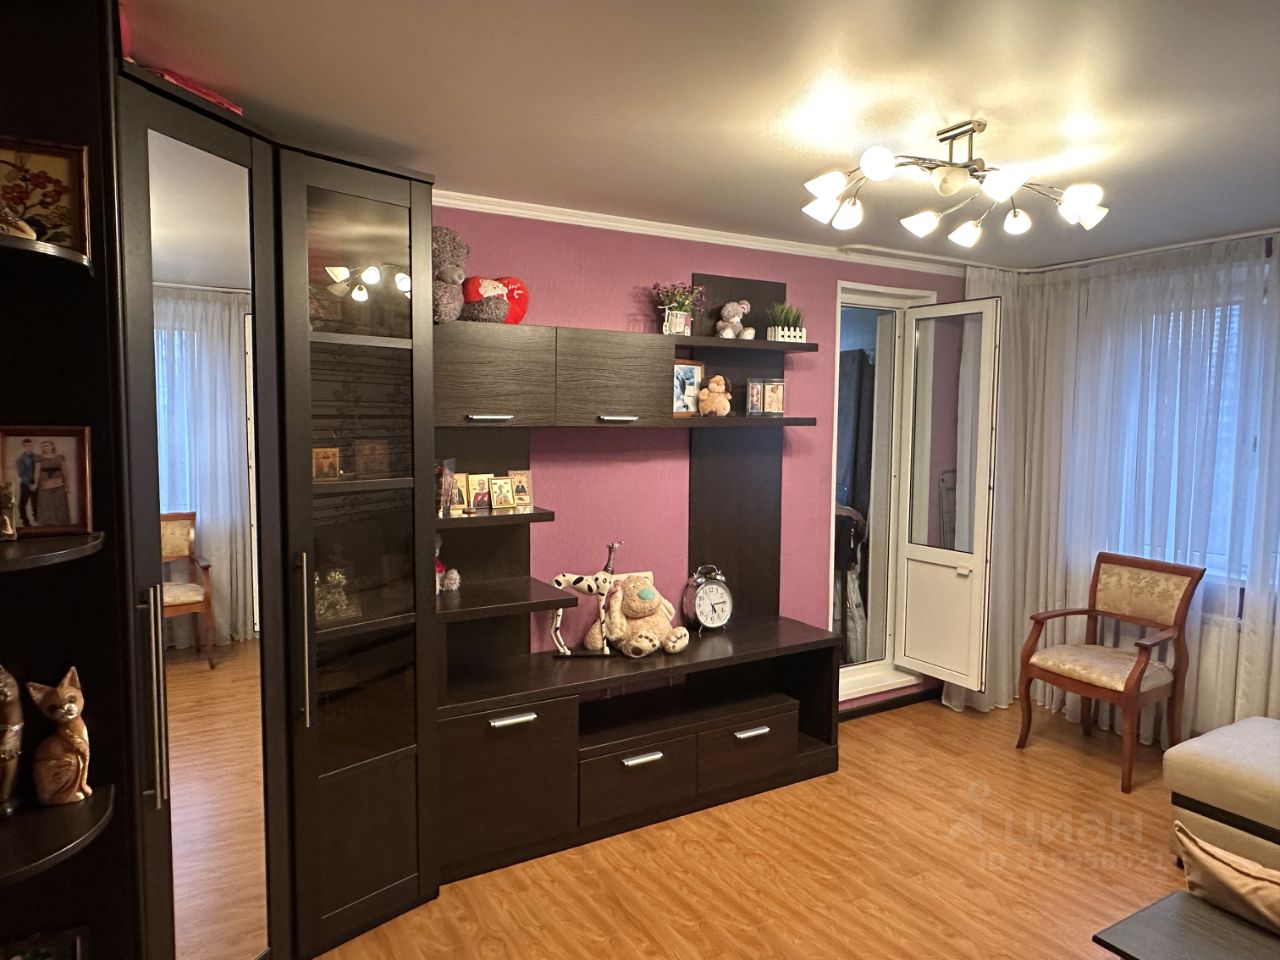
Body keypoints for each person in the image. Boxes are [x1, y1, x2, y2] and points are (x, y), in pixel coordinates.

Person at [33, 440, 70, 527]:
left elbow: (65, 471)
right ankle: (47, 522)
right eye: (43, 446)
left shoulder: (60, 457)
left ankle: (60, 522)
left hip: (58, 484)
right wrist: (35, 484)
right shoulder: (39, 458)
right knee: (45, 503)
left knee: (59, 503)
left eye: (47, 445)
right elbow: (37, 472)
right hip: (44, 485)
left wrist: (67, 484)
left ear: (52, 446)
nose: (45, 448)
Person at [15, 438, 37, 526]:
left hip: (36, 482)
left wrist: (36, 483)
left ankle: (37, 519)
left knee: (36, 502)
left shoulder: (36, 457)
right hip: (26, 483)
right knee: (23, 502)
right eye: (27, 445)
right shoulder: (20, 459)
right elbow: (21, 473)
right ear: (24, 446)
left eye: (31, 445)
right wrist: (29, 485)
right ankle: (25, 521)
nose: (29, 447)